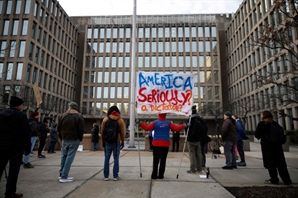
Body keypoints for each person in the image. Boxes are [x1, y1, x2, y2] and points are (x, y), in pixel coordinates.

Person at [136, 113, 187, 179]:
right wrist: (184, 125)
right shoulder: (168, 123)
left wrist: (140, 123)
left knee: (155, 160)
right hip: (165, 144)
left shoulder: (155, 122)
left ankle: (154, 175)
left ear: (158, 115)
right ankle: (161, 175)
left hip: (156, 144)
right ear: (165, 115)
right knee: (163, 160)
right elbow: (176, 128)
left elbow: (146, 128)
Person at [0, 96, 31, 198]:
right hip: (16, 146)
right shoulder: (21, 116)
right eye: (22, 104)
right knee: (13, 170)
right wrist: (28, 146)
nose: (23, 106)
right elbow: (26, 132)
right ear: (18, 105)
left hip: (2, 145)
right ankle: (10, 192)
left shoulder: (2, 114)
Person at [255, 110, 292, 185]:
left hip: (267, 146)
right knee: (281, 164)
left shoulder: (262, 124)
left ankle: (274, 179)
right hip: (278, 147)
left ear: (263, 116)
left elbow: (257, 135)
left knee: (270, 164)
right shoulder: (276, 124)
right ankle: (287, 180)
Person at [57, 102, 85, 183]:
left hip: (65, 138)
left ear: (69, 107)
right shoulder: (79, 117)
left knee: (64, 156)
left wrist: (61, 137)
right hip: (74, 139)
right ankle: (64, 176)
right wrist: (80, 138)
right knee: (70, 157)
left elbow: (58, 128)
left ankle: (61, 174)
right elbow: (81, 129)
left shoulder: (62, 116)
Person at [101, 106, 125, 181]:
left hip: (107, 141)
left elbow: (102, 132)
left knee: (107, 158)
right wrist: (123, 142)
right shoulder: (120, 120)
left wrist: (103, 141)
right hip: (116, 141)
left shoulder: (105, 119)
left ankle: (106, 176)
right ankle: (115, 176)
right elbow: (122, 133)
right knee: (116, 158)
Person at [186, 105, 205, 174]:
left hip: (191, 139)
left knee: (192, 154)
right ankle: (199, 168)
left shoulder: (190, 119)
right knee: (199, 153)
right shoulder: (200, 119)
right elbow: (205, 128)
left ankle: (193, 169)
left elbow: (187, 129)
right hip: (198, 139)